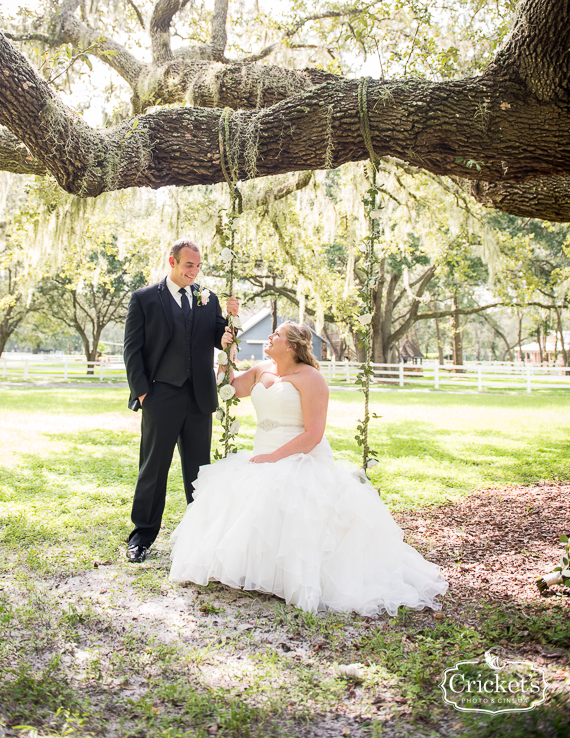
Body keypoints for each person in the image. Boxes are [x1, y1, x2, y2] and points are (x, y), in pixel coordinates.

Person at [169, 322, 448, 615]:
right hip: (262, 454)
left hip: (298, 456)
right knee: (236, 495)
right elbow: (228, 388)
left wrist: (275, 458)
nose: (269, 336)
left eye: (275, 335)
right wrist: (227, 353)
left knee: (290, 502)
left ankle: (292, 575)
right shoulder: (261, 369)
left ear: (290, 346)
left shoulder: (311, 378)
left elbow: (313, 434)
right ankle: (255, 571)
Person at [123, 239, 239, 564]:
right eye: (189, 265)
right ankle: (141, 538)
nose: (194, 271)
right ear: (172, 262)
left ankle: (200, 539)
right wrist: (144, 393)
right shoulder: (145, 299)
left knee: (199, 472)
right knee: (153, 470)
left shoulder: (208, 298)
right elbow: (132, 351)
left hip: (199, 398)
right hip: (160, 396)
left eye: (198, 266)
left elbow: (219, 336)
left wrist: (230, 324)